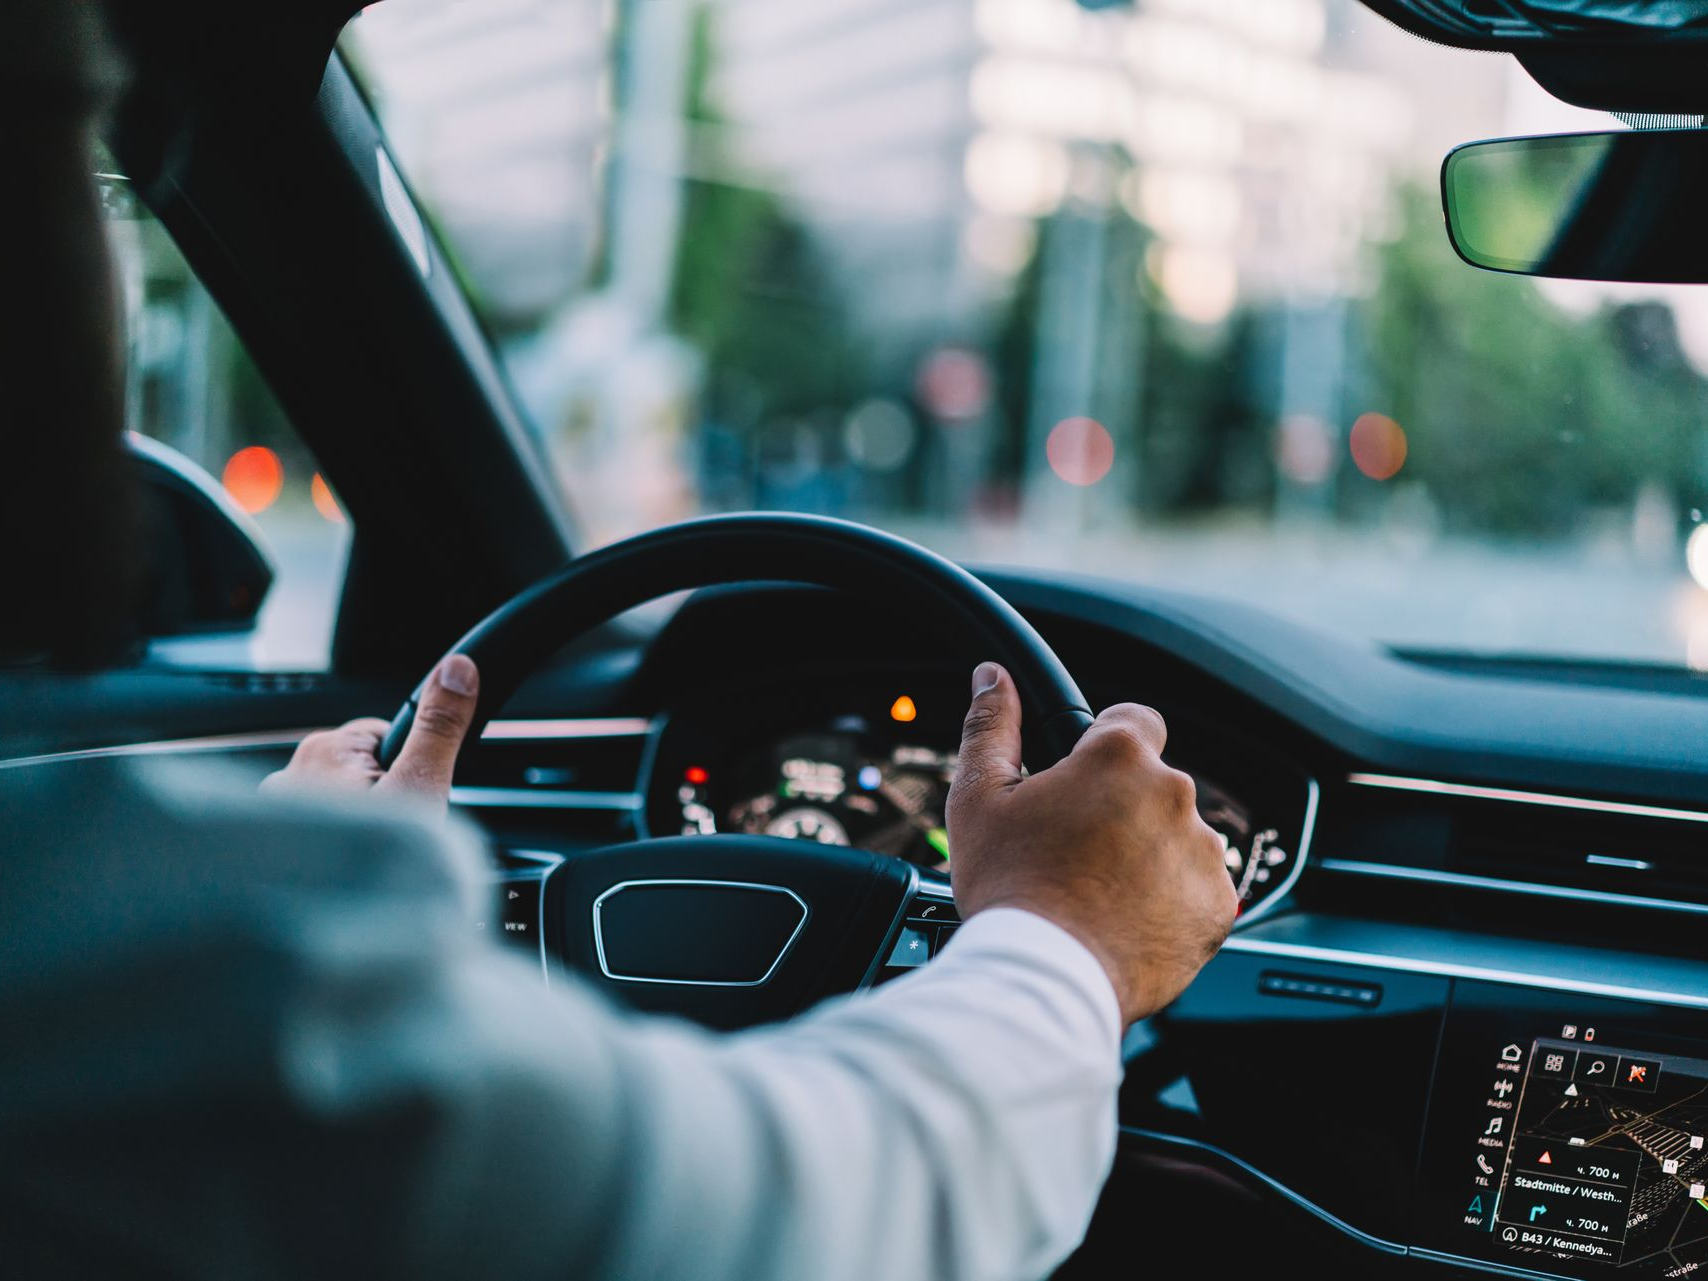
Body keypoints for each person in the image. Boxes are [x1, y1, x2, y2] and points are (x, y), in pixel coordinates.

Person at [0, 4, 1239, 1278]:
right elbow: (802, 1224)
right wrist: (1066, 935)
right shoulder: (141, 978)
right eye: (83, 171)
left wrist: (279, 905)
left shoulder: (102, 952)